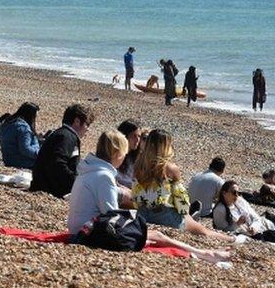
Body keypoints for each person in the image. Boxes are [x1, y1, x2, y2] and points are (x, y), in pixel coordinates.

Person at [66, 130, 232, 263]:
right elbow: (112, 215)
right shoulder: (105, 176)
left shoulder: (134, 165)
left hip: (140, 213)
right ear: (117, 153)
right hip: (91, 232)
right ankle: (221, 243)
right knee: (197, 226)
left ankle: (205, 252)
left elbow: (133, 196)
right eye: (123, 154)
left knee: (157, 234)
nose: (124, 158)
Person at [132, 130, 236, 242]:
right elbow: (181, 198)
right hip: (164, 216)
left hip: (142, 214)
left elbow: (135, 193)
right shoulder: (170, 169)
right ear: (166, 147)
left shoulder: (138, 165)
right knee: (202, 230)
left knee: (191, 220)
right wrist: (186, 214)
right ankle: (232, 238)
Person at [212, 181, 275, 257]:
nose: (237, 195)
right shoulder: (220, 210)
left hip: (264, 224)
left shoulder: (240, 201)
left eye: (238, 192)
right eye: (234, 192)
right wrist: (237, 224)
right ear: (224, 193)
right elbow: (223, 231)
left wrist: (253, 226)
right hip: (260, 233)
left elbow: (256, 217)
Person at [30, 104, 95, 198]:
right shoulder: (66, 137)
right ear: (77, 121)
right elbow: (58, 164)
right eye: (87, 124)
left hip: (45, 186)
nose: (87, 129)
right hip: (50, 189)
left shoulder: (63, 134)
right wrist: (77, 183)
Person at [0, 102, 41, 169]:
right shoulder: (23, 128)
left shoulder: (8, 122)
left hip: (8, 159)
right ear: (30, 115)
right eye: (34, 116)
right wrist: (40, 154)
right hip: (21, 161)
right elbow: (25, 149)